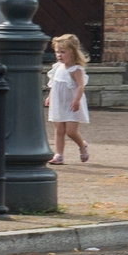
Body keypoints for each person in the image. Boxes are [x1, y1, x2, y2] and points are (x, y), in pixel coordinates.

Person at [48, 32, 91, 164]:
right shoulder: (57, 67)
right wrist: (49, 96)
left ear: (72, 52)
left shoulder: (75, 69)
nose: (59, 55)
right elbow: (53, 84)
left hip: (72, 104)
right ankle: (58, 155)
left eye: (63, 52)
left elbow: (80, 86)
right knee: (59, 129)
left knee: (71, 131)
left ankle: (82, 146)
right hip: (58, 103)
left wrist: (76, 99)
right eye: (57, 52)